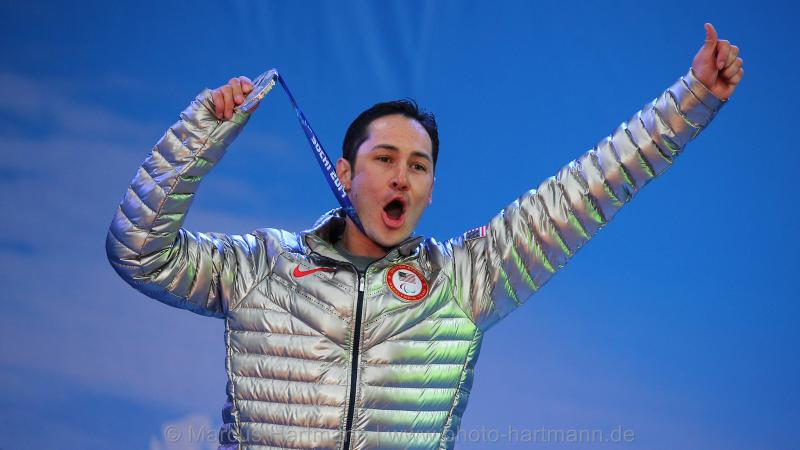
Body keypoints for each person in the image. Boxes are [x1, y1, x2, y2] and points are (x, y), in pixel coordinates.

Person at [105, 23, 743, 450]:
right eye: (384, 159)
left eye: (418, 165)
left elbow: (586, 190)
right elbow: (138, 250)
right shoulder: (261, 267)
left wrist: (693, 99)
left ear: (432, 188)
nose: (402, 178)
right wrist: (202, 132)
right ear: (344, 172)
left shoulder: (461, 280)